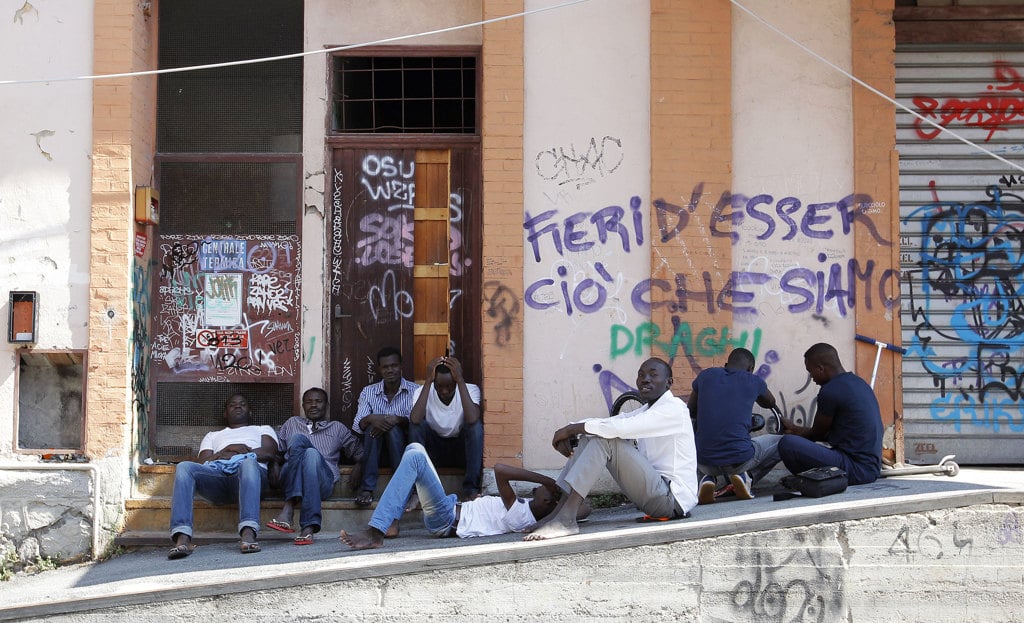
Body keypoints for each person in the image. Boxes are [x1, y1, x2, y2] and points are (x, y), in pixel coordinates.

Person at [524, 357, 697, 541]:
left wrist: (570, 430)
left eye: (653, 375)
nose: (645, 379)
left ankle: (566, 520)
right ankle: (559, 514)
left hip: (671, 500)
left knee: (606, 440)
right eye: (641, 375)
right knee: (590, 436)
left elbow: (618, 429)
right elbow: (612, 422)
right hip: (654, 493)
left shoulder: (674, 409)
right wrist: (572, 428)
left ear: (669, 383)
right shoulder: (647, 410)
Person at [339, 443, 581, 549]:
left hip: (445, 519)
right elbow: (584, 508)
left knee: (415, 457)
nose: (539, 488)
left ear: (548, 501)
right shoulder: (528, 507)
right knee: (414, 449)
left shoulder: (521, 514)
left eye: (543, 490)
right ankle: (390, 521)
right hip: (450, 508)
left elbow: (500, 470)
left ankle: (376, 531)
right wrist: (563, 500)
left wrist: (544, 479)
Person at [167, 392, 279, 559]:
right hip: (218, 480)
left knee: (248, 463)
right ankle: (182, 537)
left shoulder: (262, 429)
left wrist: (237, 457)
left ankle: (248, 533)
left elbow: (269, 453)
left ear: (250, 412)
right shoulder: (213, 436)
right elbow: (203, 461)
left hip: (251, 479)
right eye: (233, 405)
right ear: (225, 413)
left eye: (243, 404)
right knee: (184, 467)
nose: (238, 406)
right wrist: (227, 450)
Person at [265, 387, 365, 545]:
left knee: (311, 454)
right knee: (298, 440)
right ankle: (308, 528)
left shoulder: (337, 428)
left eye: (318, 401)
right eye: (309, 402)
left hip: (321, 482)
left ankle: (289, 507)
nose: (313, 405)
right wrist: (274, 463)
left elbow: (361, 452)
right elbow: (275, 450)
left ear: (326, 405)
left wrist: (359, 464)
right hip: (289, 477)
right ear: (303, 406)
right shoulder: (292, 423)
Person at [777, 342, 883, 485]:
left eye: (811, 371)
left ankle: (808, 480)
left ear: (820, 368)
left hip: (855, 469)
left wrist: (794, 432)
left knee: (787, 444)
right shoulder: (859, 383)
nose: (811, 378)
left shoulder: (830, 391)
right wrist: (796, 429)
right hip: (871, 469)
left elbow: (817, 435)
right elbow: (834, 434)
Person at [688, 348, 782, 504]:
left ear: (726, 364)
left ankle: (706, 479)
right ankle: (746, 477)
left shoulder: (706, 375)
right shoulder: (753, 380)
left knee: (698, 440)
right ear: (751, 369)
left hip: (704, 462)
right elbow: (770, 402)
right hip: (740, 460)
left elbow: (690, 410)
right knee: (781, 442)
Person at [352, 346, 420, 507]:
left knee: (393, 429)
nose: (390, 370)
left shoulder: (415, 391)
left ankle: (403, 487)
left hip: (403, 453)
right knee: (371, 428)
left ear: (401, 366)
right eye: (385, 367)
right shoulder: (368, 392)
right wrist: (371, 418)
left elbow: (418, 423)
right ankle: (367, 488)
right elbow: (357, 425)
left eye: (394, 365)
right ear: (379, 369)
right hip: (375, 453)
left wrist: (397, 420)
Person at [409, 355, 484, 502]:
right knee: (416, 427)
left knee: (475, 427)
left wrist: (460, 381)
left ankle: (470, 489)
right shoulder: (422, 391)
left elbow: (472, 418)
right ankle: (417, 491)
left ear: (456, 382)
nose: (444, 391)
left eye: (449, 386)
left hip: (460, 451)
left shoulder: (470, 389)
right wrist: (428, 381)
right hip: (434, 452)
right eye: (439, 386)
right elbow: (415, 419)